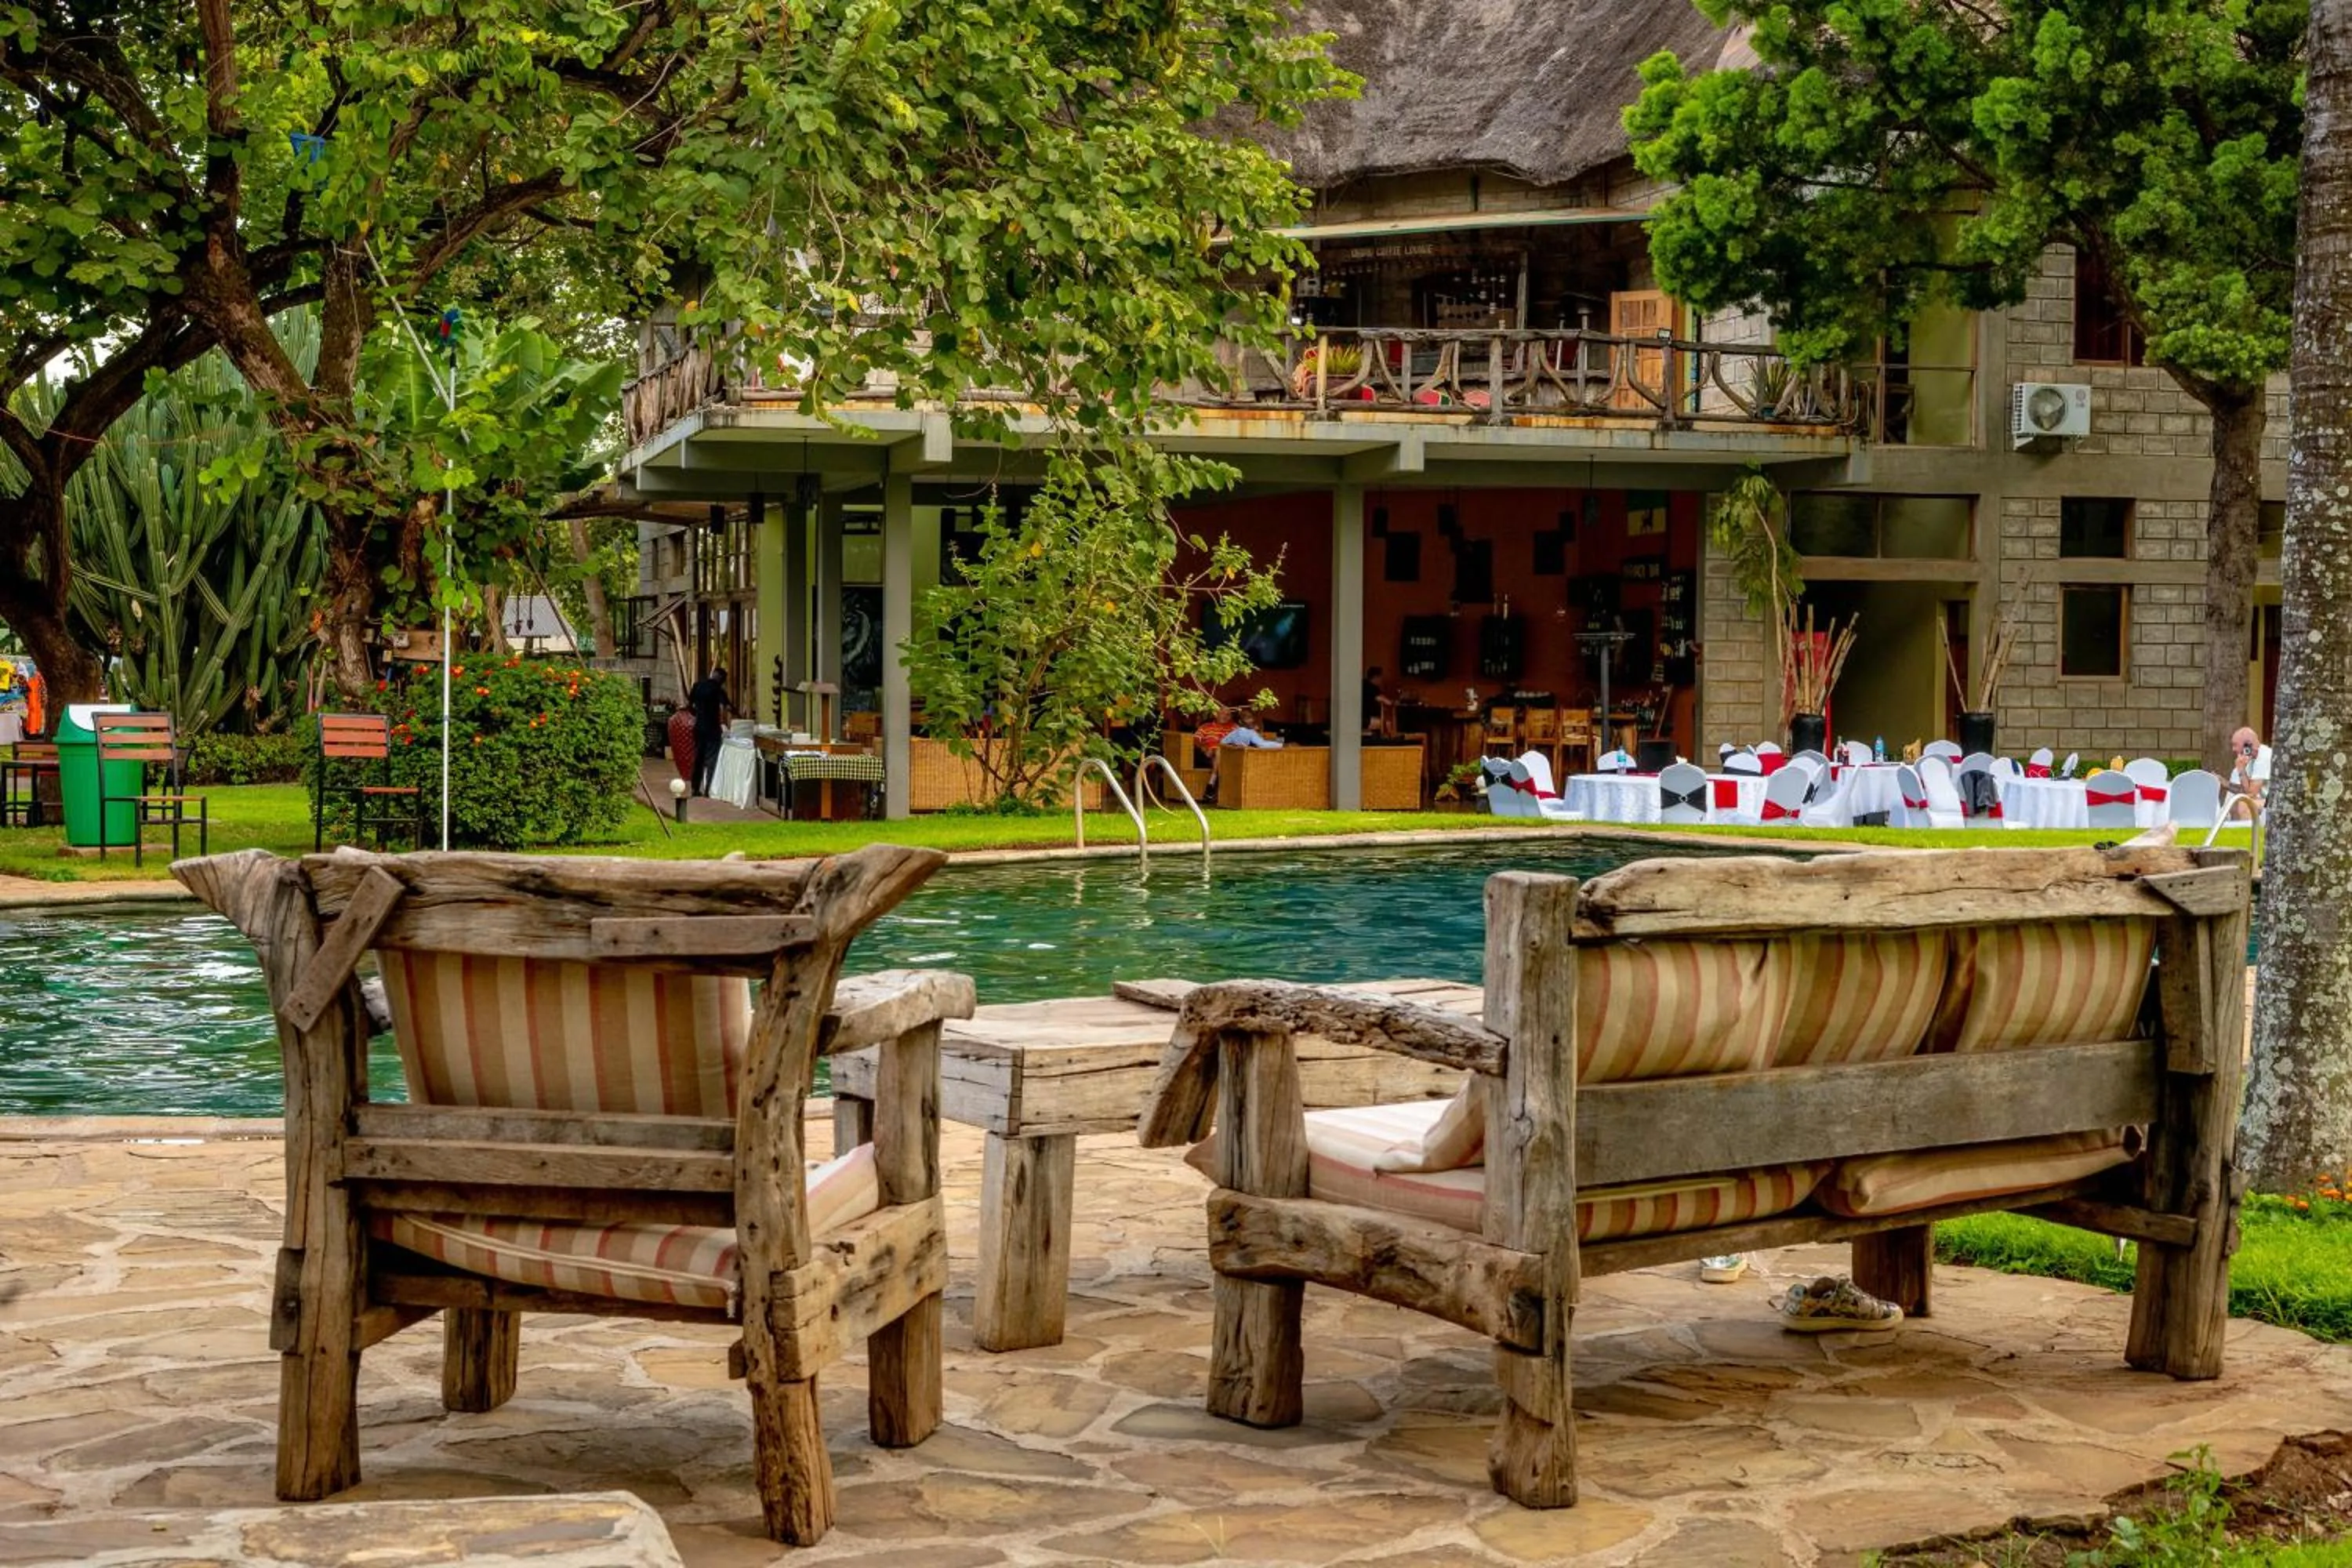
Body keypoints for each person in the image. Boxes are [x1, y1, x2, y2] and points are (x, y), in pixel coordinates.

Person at [687, 666, 732, 797]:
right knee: (712, 759)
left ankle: (695, 789)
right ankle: (709, 789)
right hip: (713, 729)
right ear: (722, 679)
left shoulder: (697, 686)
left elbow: (690, 705)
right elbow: (728, 707)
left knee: (698, 758)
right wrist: (739, 715)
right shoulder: (718, 690)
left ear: (712, 674)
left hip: (699, 727)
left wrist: (697, 715)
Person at [2228, 725, 2272, 818]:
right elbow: (2246, 791)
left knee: (2245, 805)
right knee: (2241, 803)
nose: (2233, 749)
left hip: (2275, 802)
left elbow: (2252, 793)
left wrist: (2241, 770)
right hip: (2264, 801)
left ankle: (2250, 833)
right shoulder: (2251, 760)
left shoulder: (2264, 756)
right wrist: (2241, 770)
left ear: (2247, 744)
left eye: (2235, 745)